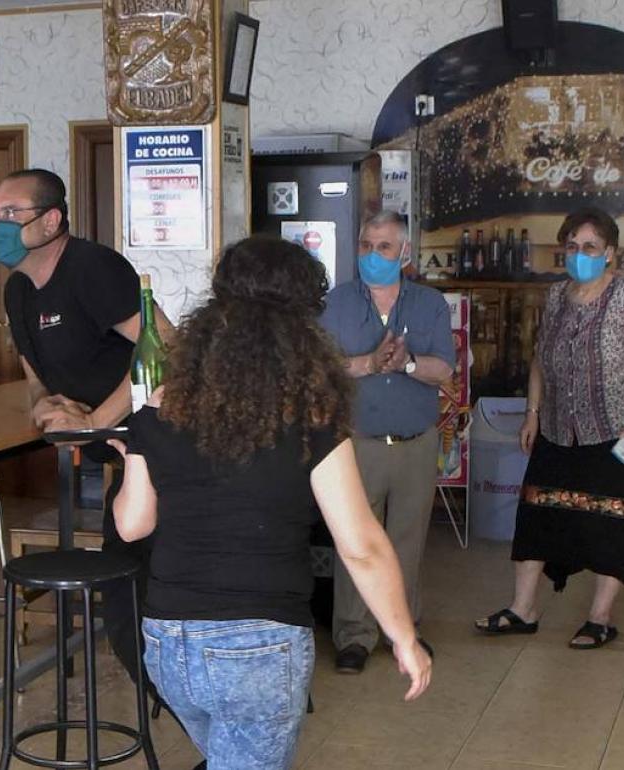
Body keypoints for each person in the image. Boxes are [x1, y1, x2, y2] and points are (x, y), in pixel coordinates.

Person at [111, 236, 431, 769]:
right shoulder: (310, 419)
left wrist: (135, 453)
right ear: (303, 327)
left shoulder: (161, 408)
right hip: (258, 645)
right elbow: (361, 546)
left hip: (168, 640)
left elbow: (132, 525)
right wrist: (403, 637)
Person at [0, 168, 171, 690]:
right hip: (107, 458)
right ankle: (165, 692)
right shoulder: (18, 291)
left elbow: (167, 348)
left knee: (142, 588)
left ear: (51, 221)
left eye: (10, 214)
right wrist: (44, 407)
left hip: (155, 454)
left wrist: (94, 419)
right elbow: (33, 371)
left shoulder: (92, 268)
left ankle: (180, 701)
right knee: (125, 587)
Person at [476, 207, 624, 648]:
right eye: (572, 247)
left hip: (616, 432)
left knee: (612, 522)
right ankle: (523, 609)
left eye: (590, 248)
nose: (579, 255)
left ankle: (600, 617)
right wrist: (533, 412)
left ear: (609, 254)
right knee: (536, 515)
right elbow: (541, 360)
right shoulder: (558, 295)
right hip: (560, 430)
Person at [319, 210, 455, 674]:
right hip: (356, 441)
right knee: (356, 539)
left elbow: (445, 370)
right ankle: (353, 636)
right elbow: (319, 369)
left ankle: (403, 631)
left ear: (405, 253)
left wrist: (408, 364)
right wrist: (368, 364)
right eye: (365, 245)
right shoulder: (334, 304)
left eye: (383, 247)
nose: (373, 255)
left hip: (416, 442)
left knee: (406, 541)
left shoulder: (430, 304)